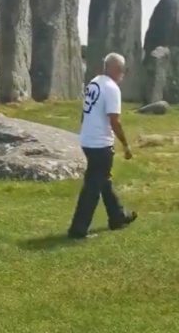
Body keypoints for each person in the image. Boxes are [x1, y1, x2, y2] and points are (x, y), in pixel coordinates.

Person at [68, 53, 137, 239]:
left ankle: (117, 217)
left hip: (88, 140)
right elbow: (115, 120)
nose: (123, 74)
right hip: (100, 144)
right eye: (122, 71)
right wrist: (126, 145)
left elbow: (85, 113)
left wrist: (85, 132)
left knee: (103, 180)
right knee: (92, 188)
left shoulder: (94, 83)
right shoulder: (111, 88)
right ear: (115, 69)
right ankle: (78, 230)